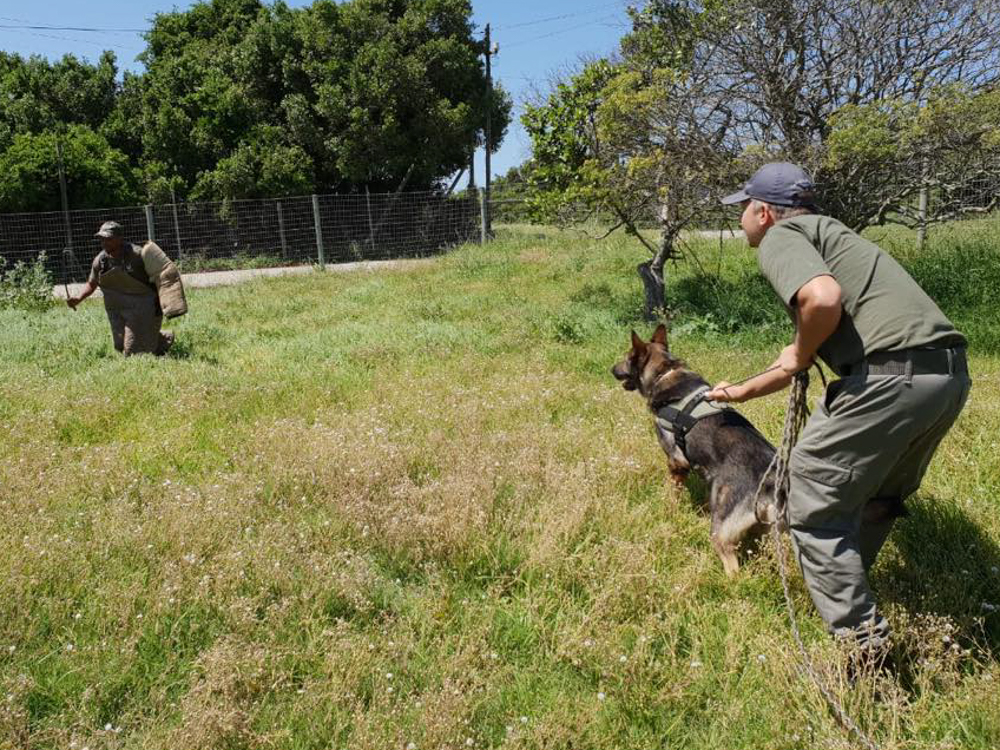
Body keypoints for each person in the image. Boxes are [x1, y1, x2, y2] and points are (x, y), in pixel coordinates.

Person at [706, 162, 971, 654]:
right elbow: (800, 352)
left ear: (764, 213)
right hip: (945, 378)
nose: (740, 216)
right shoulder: (834, 236)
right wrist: (741, 392)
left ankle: (862, 645)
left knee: (808, 504)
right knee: (877, 499)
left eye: (743, 207)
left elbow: (822, 300)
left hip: (886, 381)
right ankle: (850, 589)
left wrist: (804, 353)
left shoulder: (782, 240)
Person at [67, 221, 187, 356]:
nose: (104, 243)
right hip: (118, 308)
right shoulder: (101, 261)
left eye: (109, 239)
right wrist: (78, 298)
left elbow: (162, 276)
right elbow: (92, 283)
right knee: (119, 345)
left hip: (143, 307)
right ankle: (160, 340)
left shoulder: (138, 255)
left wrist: (167, 303)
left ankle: (152, 342)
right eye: (102, 239)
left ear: (120, 238)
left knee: (132, 351)